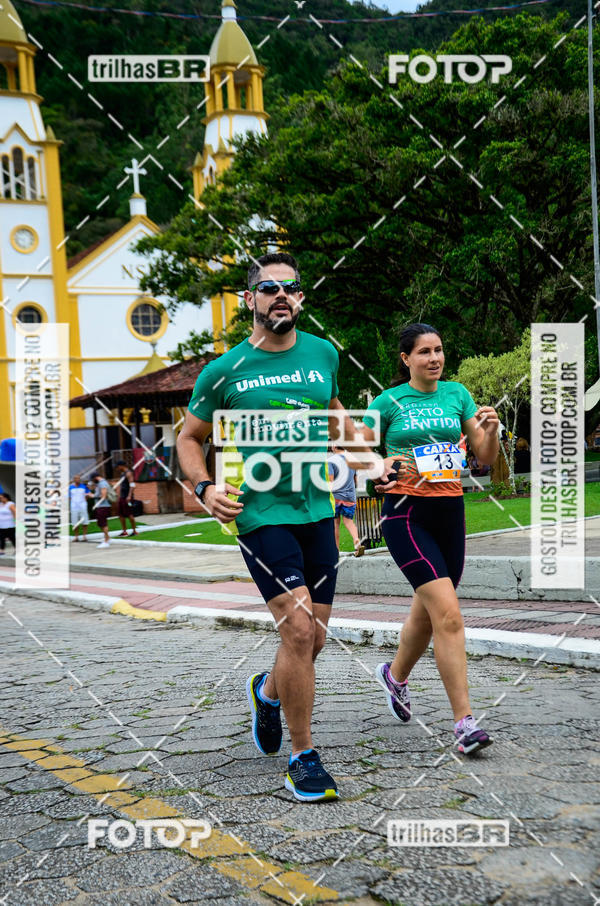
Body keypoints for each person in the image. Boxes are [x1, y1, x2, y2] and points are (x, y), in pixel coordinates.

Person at [177, 252, 362, 802]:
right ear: (250, 300)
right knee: (299, 632)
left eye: (291, 288)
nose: (280, 295)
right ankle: (302, 757)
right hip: (259, 515)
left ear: (301, 298)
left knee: (315, 640)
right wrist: (205, 488)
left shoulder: (323, 353)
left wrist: (372, 456)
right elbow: (189, 438)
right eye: (269, 288)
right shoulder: (223, 370)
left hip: (317, 510)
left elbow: (335, 417)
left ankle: (267, 691)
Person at [360, 323, 499, 755]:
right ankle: (464, 723)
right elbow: (356, 451)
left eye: (439, 350)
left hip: (449, 511)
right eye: (424, 352)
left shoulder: (458, 395)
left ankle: (394, 677)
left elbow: (485, 457)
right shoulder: (387, 402)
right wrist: (377, 463)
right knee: (449, 614)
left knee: (429, 611)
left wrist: (490, 429)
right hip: (404, 513)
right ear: (406, 360)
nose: (434, 359)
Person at [328, 444, 365, 557]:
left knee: (335, 524)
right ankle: (357, 542)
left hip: (336, 497)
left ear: (334, 446)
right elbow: (355, 481)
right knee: (348, 521)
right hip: (350, 496)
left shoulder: (330, 461)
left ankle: (336, 551)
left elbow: (330, 482)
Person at [115, 460, 138, 536]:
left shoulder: (128, 473)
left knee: (129, 514)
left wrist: (129, 495)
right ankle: (124, 531)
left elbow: (132, 484)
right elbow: (121, 486)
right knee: (120, 514)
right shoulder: (122, 474)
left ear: (122, 466)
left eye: (118, 466)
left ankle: (134, 531)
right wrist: (118, 496)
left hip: (127, 497)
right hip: (122, 497)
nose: (117, 468)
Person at [91, 472, 112, 548]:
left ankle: (106, 541)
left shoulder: (102, 483)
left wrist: (93, 496)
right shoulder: (100, 483)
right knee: (100, 523)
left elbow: (103, 496)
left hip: (103, 506)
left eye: (93, 480)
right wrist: (93, 495)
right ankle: (107, 538)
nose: (93, 482)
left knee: (103, 523)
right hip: (100, 506)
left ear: (95, 478)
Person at [69, 474, 90, 542]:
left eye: (79, 478)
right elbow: (69, 497)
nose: (77, 480)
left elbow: (88, 495)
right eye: (76, 478)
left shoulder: (84, 487)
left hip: (83, 507)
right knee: (75, 522)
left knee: (85, 521)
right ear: (74, 480)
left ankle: (84, 536)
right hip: (74, 507)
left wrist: (84, 501)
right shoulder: (70, 487)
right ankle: (76, 537)